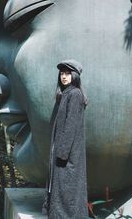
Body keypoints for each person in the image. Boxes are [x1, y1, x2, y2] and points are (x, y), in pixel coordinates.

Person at [43, 59, 89, 219]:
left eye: (68, 73)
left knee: (67, 192)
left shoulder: (75, 94)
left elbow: (70, 126)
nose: (64, 76)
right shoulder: (66, 94)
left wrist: (62, 154)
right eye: (62, 73)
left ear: (75, 75)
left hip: (68, 155)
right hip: (64, 152)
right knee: (63, 192)